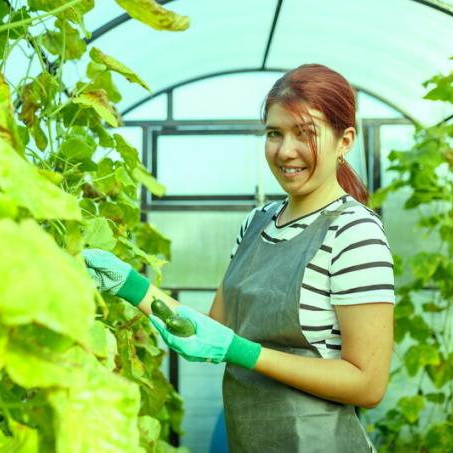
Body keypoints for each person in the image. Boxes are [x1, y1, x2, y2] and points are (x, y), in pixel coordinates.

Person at [83, 64, 395, 453]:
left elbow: (368, 384)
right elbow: (210, 329)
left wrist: (243, 351)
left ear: (345, 140)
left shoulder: (353, 231)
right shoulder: (257, 222)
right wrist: (129, 284)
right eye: (274, 133)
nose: (285, 151)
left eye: (306, 134)